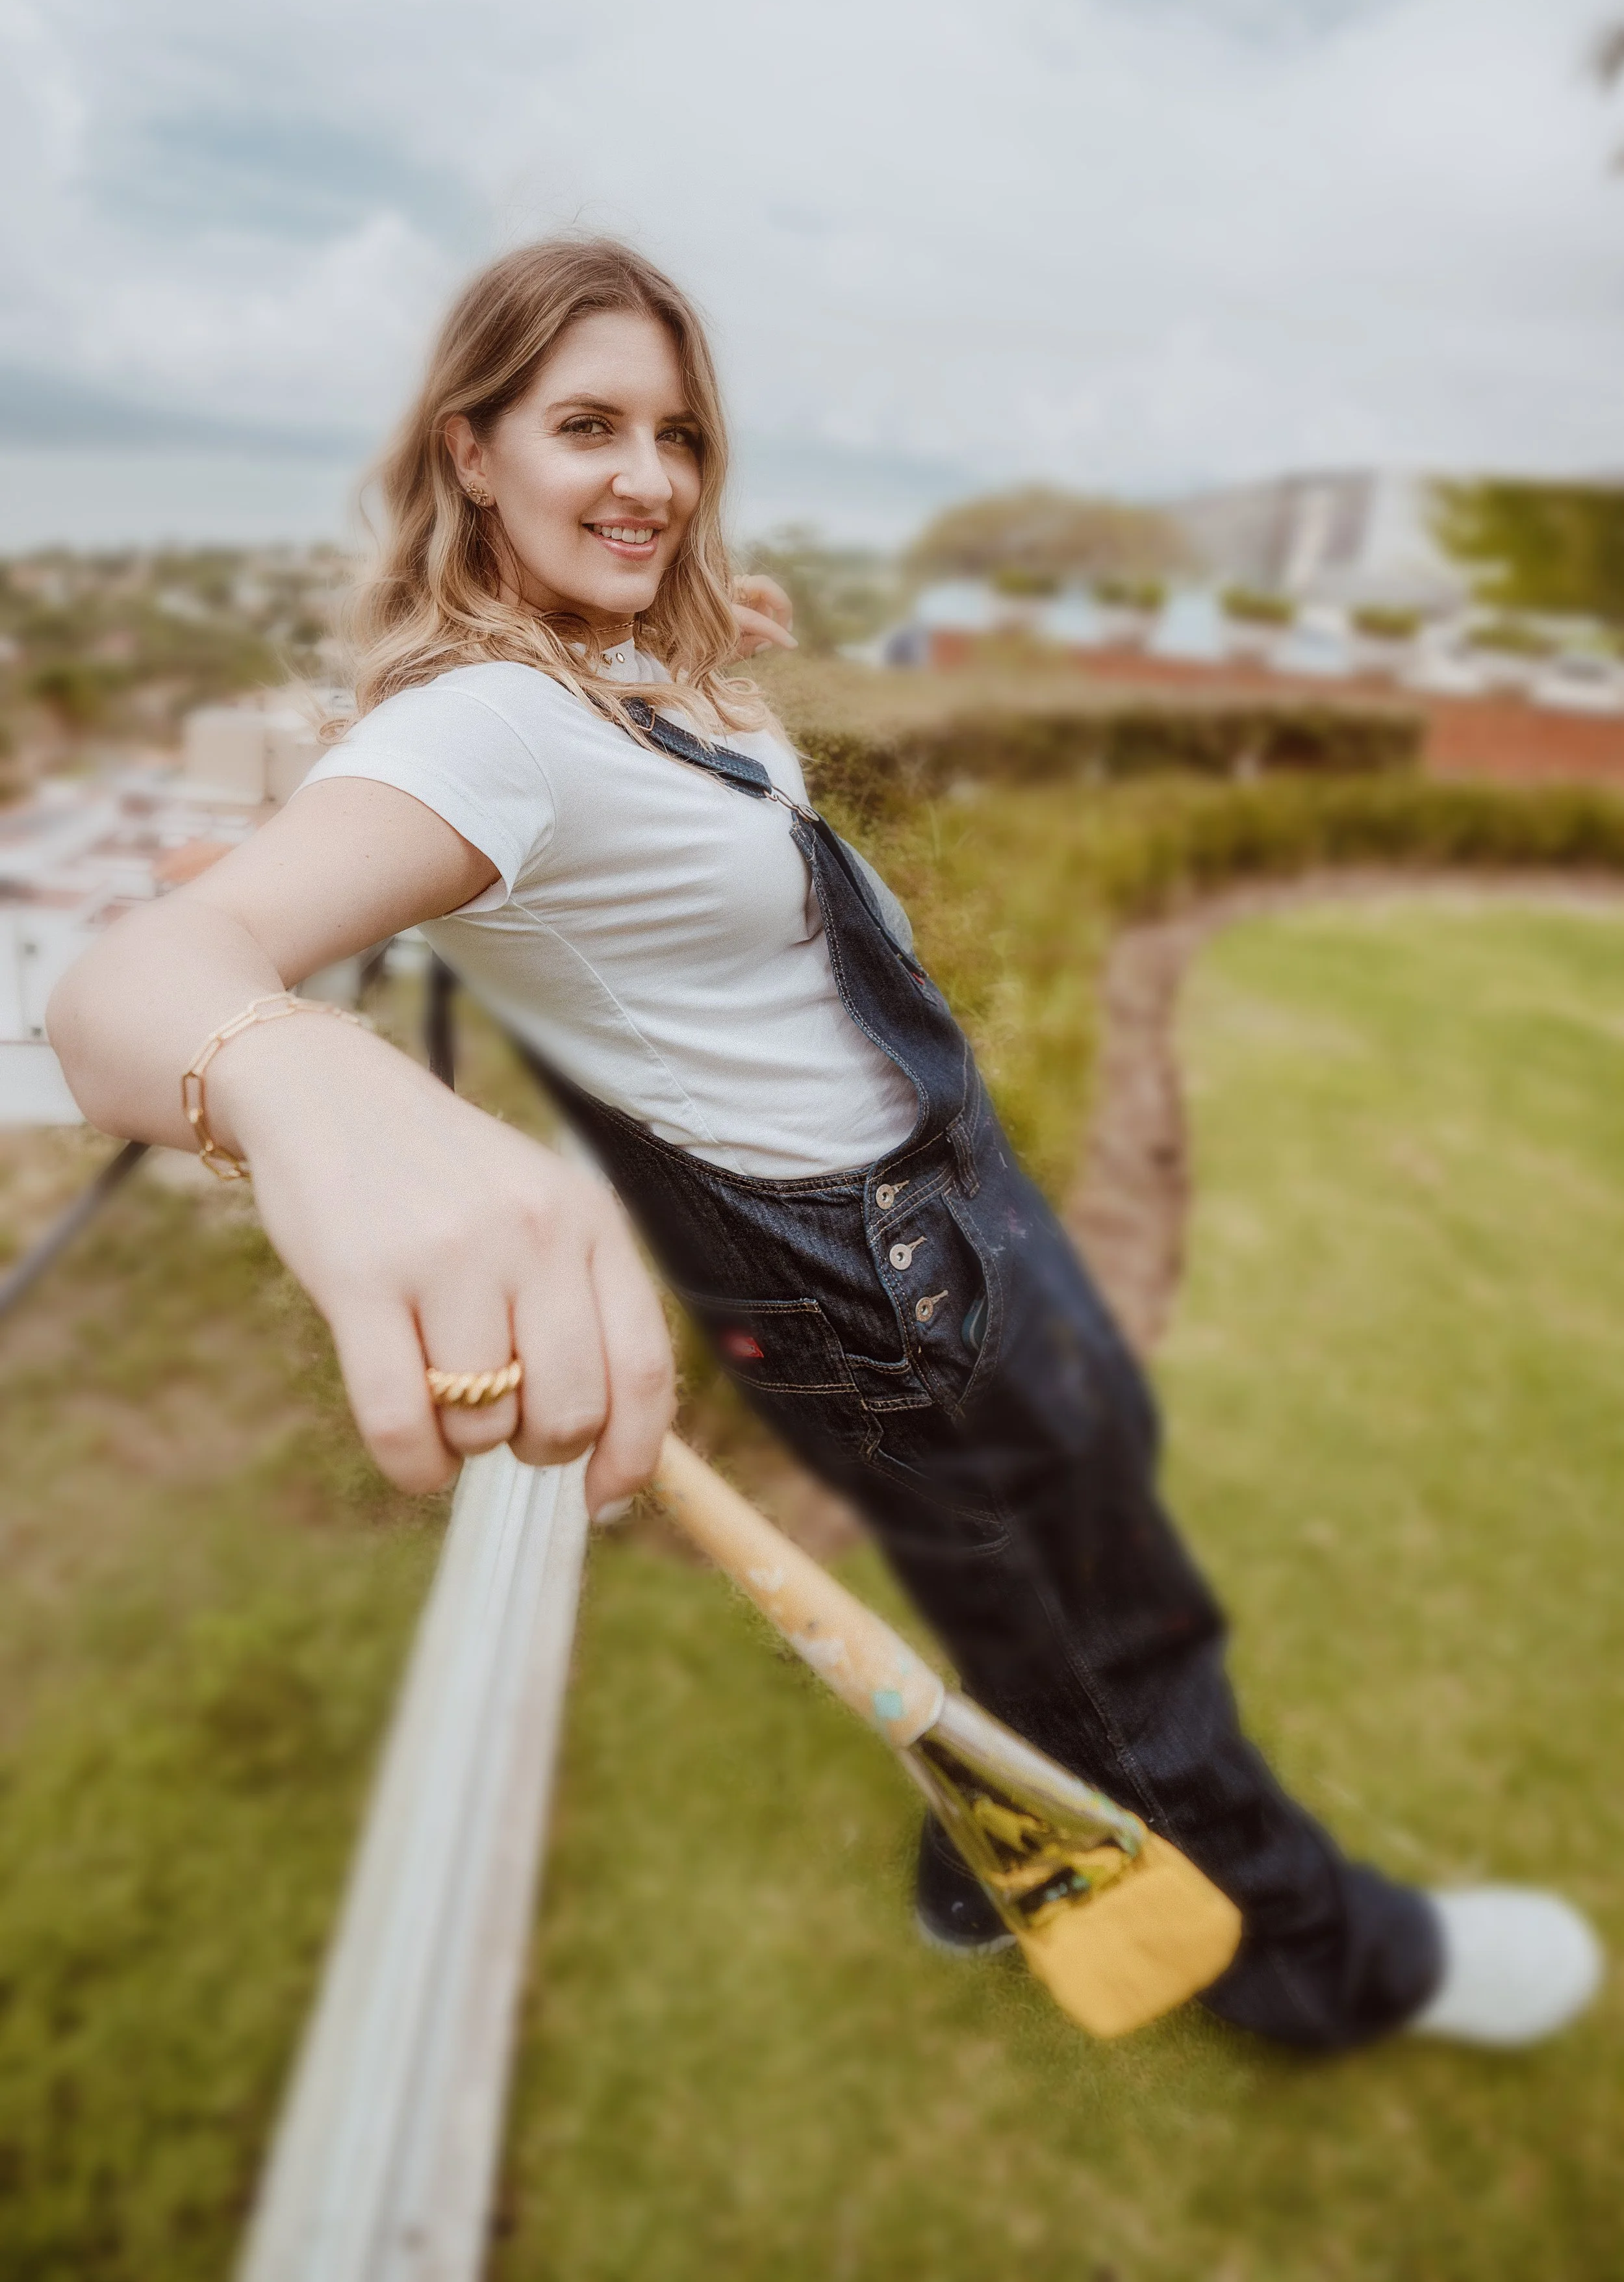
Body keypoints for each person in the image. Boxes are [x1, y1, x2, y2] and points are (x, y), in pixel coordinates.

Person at [49, 238, 1599, 2053]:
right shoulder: (479, 732)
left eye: (678, 433)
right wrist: (314, 1082)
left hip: (928, 1197)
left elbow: (657, 777)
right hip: (871, 1266)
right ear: (470, 450)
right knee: (1125, 1620)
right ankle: (1331, 1974)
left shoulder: (598, 667)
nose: (648, 478)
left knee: (1036, 1537)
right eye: (587, 427)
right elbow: (130, 981)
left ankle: (992, 1850)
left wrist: (699, 636)